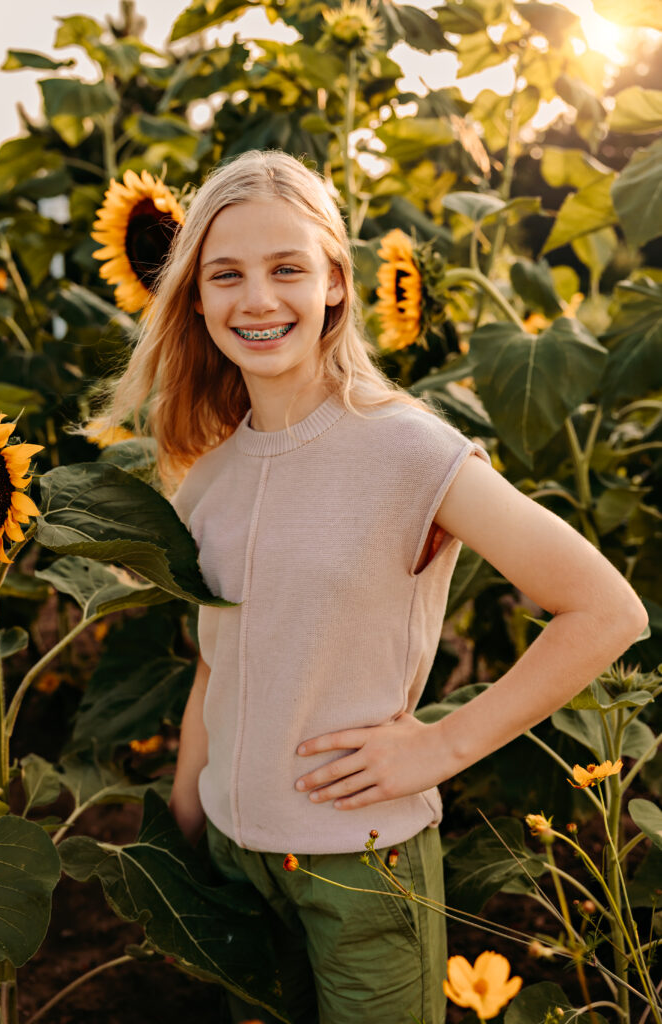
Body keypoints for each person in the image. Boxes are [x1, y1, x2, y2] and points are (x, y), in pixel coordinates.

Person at [97, 150, 647, 1024]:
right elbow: (219, 662)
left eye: (288, 269)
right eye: (226, 274)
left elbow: (607, 610)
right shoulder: (207, 476)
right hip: (237, 856)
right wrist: (185, 812)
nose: (258, 299)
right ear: (195, 299)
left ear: (335, 286)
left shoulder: (407, 451)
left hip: (359, 867)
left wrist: (441, 747)